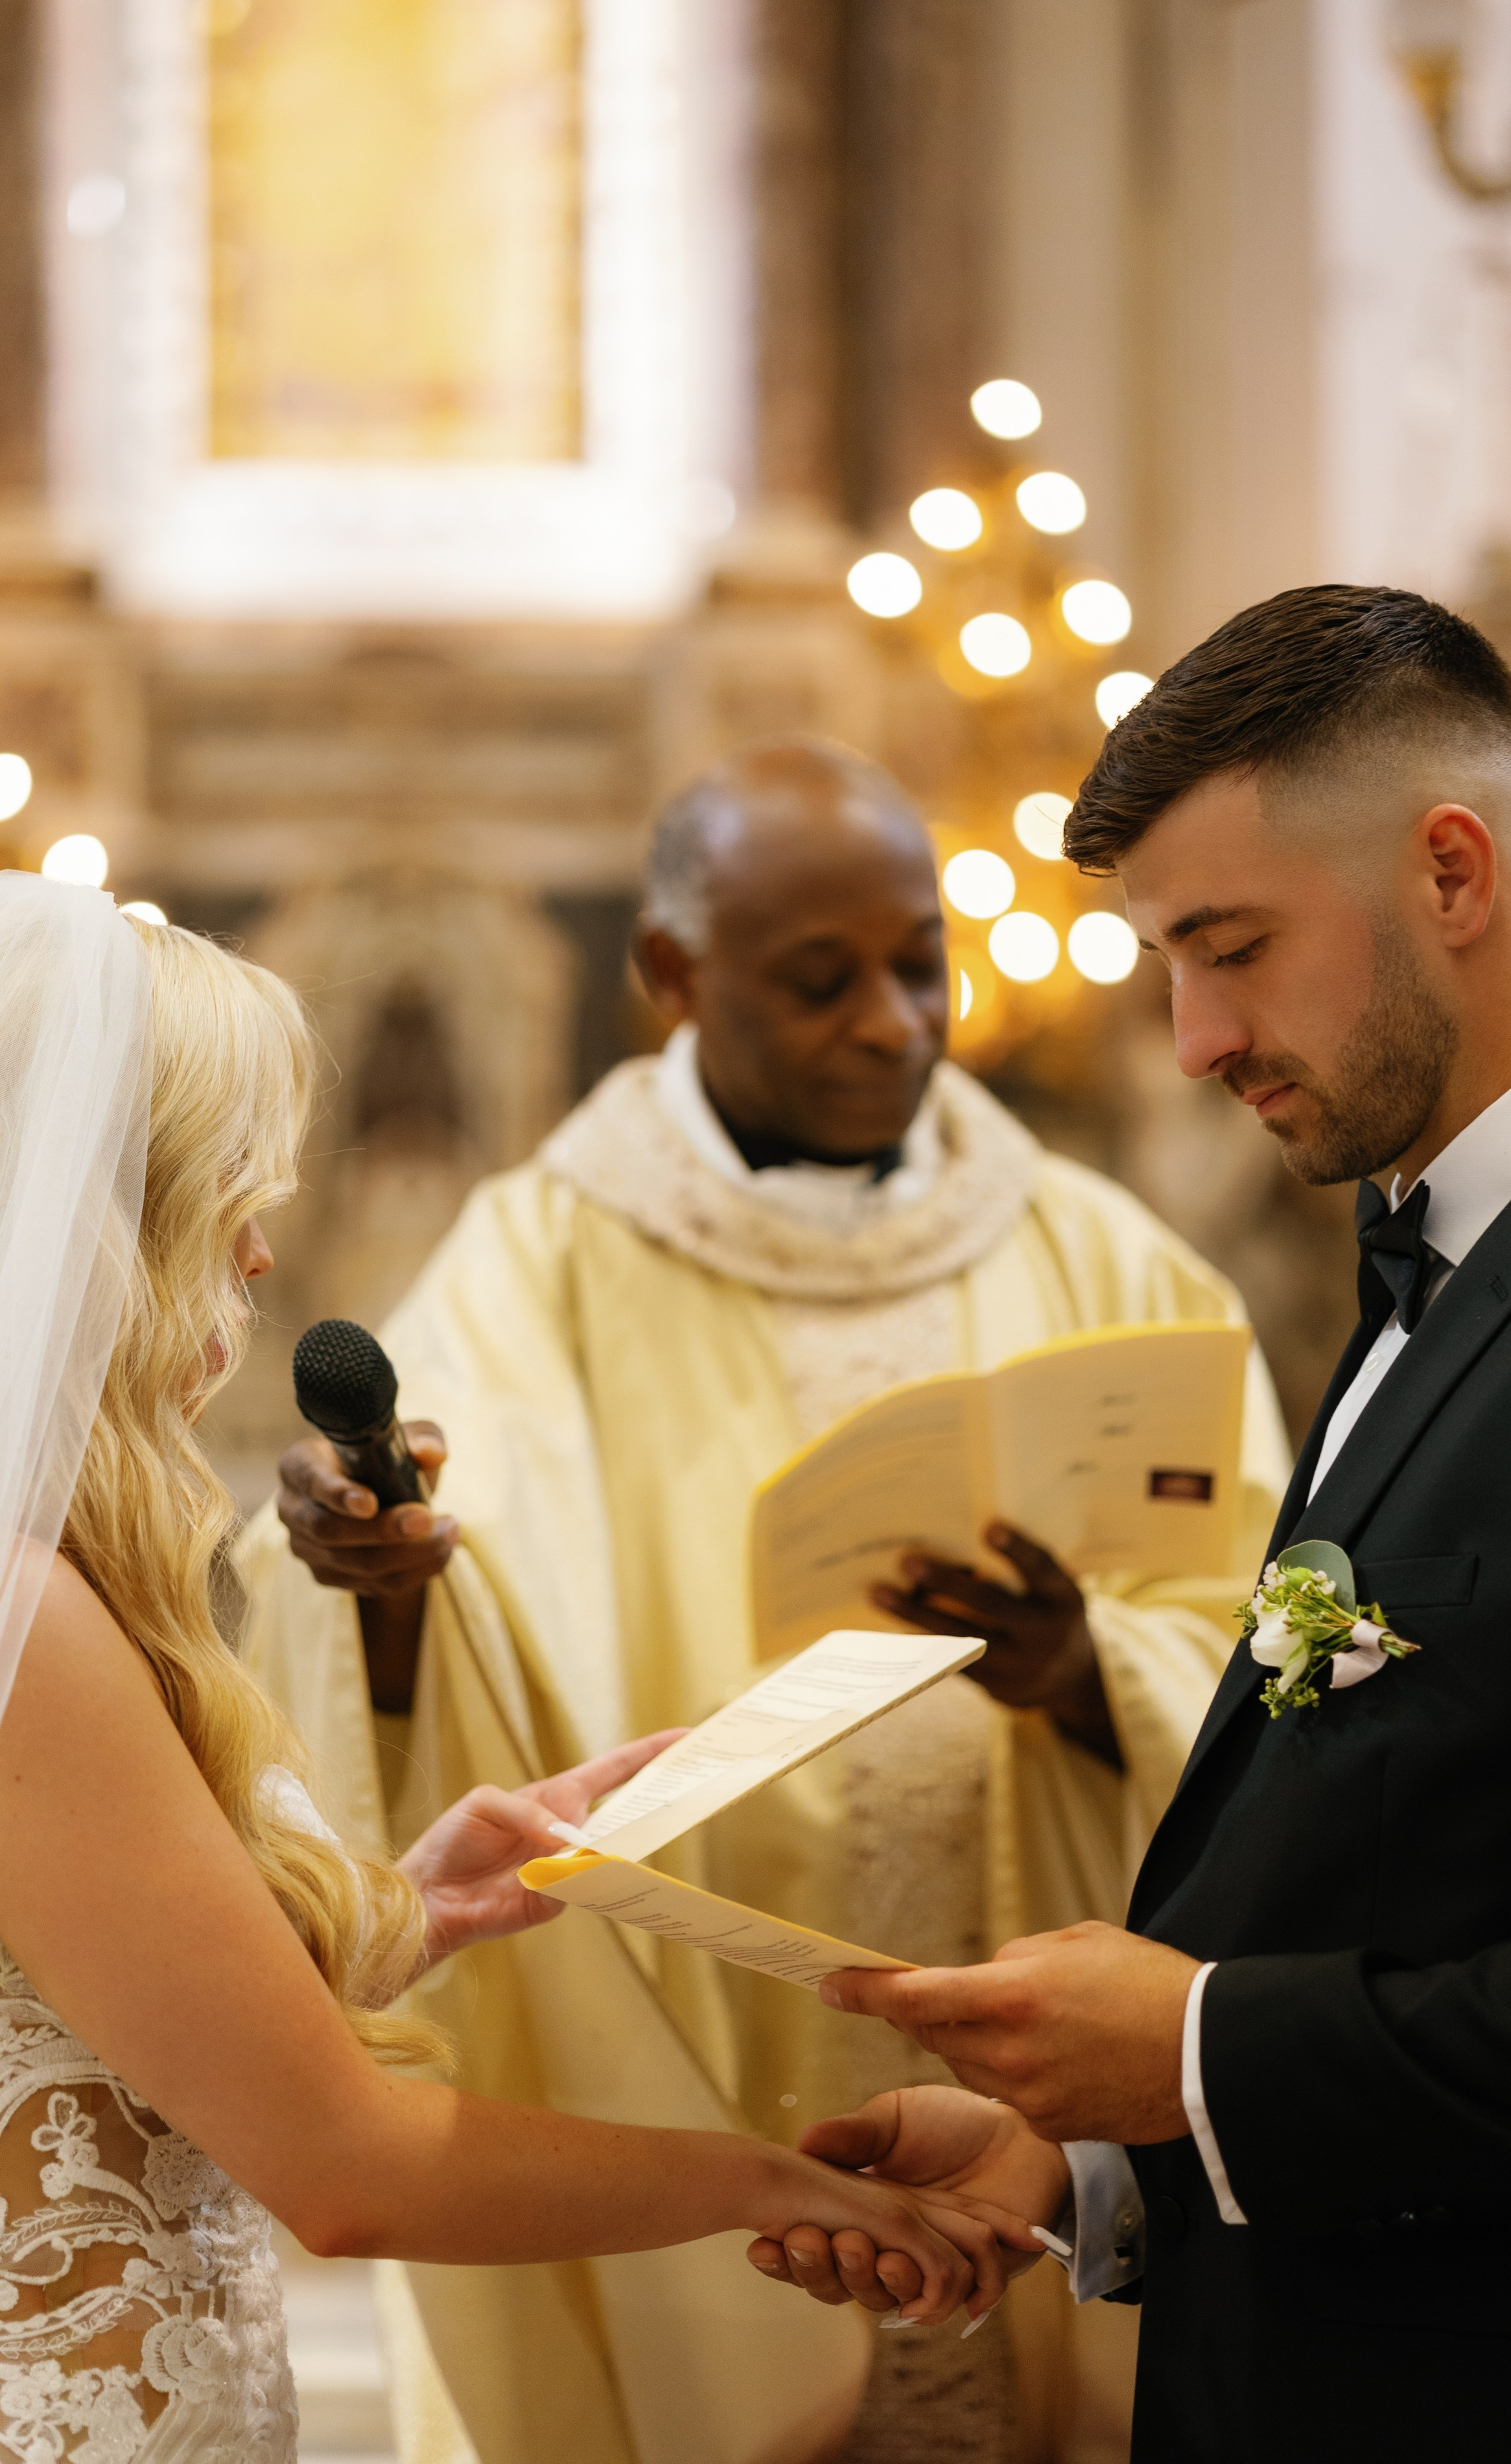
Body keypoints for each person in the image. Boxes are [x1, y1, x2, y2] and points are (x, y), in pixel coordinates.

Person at [0, 874, 1023, 2464]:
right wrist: (774, 2179)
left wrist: (410, 1907)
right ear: (96, 1220)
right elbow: (348, 2171)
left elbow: (92, 2034)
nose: (260, 1252)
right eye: (226, 1195)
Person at [240, 738, 1291, 2463]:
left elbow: (1262, 1644)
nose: (891, 1023)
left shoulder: (1104, 1255)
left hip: (1043, 2078)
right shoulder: (537, 1262)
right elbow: (444, 1608)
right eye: (819, 981)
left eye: (919, 966)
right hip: (712, 2046)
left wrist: (1085, 1667)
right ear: (673, 972)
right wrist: (380, 1580)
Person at [780, 585, 1511, 2461]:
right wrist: (1090, 2146)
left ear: (1452, 871)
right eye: (1166, 968)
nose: (1192, 1041)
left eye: (1232, 949)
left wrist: (1190, 2051)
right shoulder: (1427, 1258)